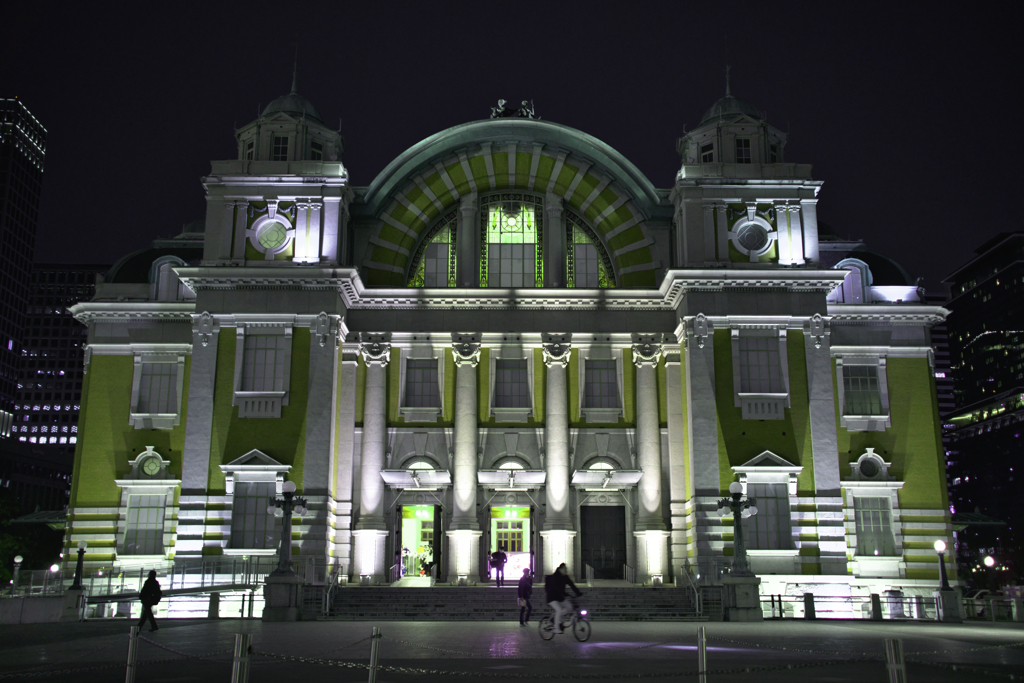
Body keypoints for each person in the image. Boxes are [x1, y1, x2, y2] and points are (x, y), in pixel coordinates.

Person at [544, 563, 582, 634]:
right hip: (552, 598)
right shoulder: (555, 577)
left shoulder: (565, 577)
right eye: (565, 569)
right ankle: (556, 628)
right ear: (560, 569)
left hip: (560, 597)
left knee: (570, 607)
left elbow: (572, 585)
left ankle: (556, 618)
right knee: (559, 610)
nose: (566, 570)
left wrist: (578, 593)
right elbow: (557, 588)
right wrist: (565, 594)